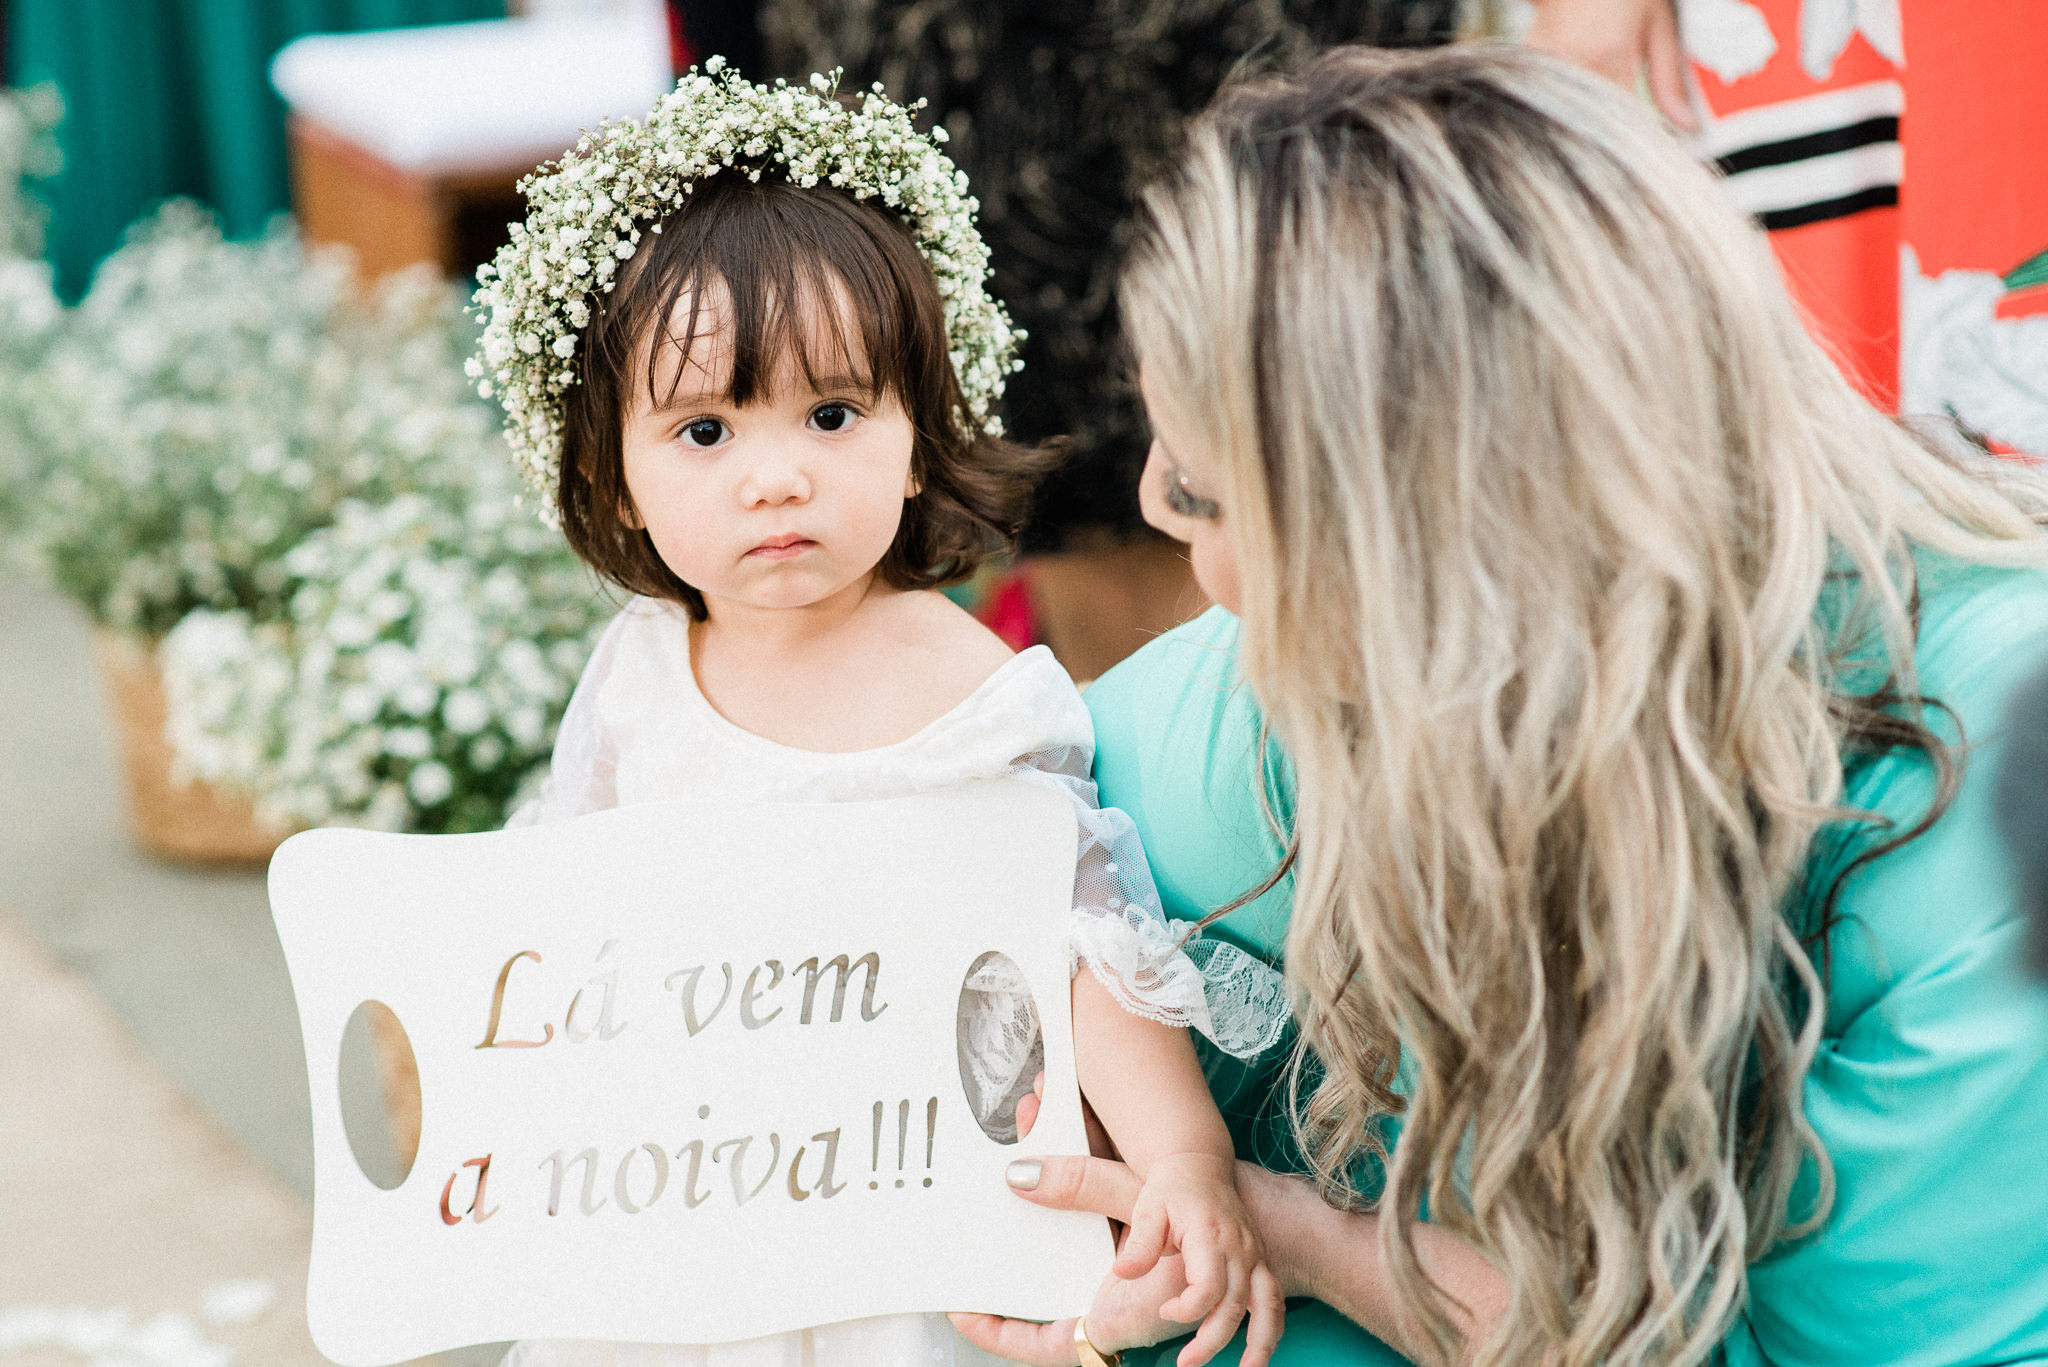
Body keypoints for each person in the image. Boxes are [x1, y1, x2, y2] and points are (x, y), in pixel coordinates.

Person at [953, 43, 2048, 1367]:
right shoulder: (1222, 733)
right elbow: (956, 892)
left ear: (1423, 563)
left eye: (1204, 495)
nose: (1149, 516)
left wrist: (1305, 1240)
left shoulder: (1983, 797)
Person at [467, 63, 1296, 1367]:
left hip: (900, 1213)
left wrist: (1188, 1162)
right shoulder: (640, 673)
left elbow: (1080, 946)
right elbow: (576, 910)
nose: (776, 475)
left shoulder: (971, 691)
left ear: (918, 439)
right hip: (693, 1204)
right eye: (702, 433)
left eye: (834, 412)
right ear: (613, 479)